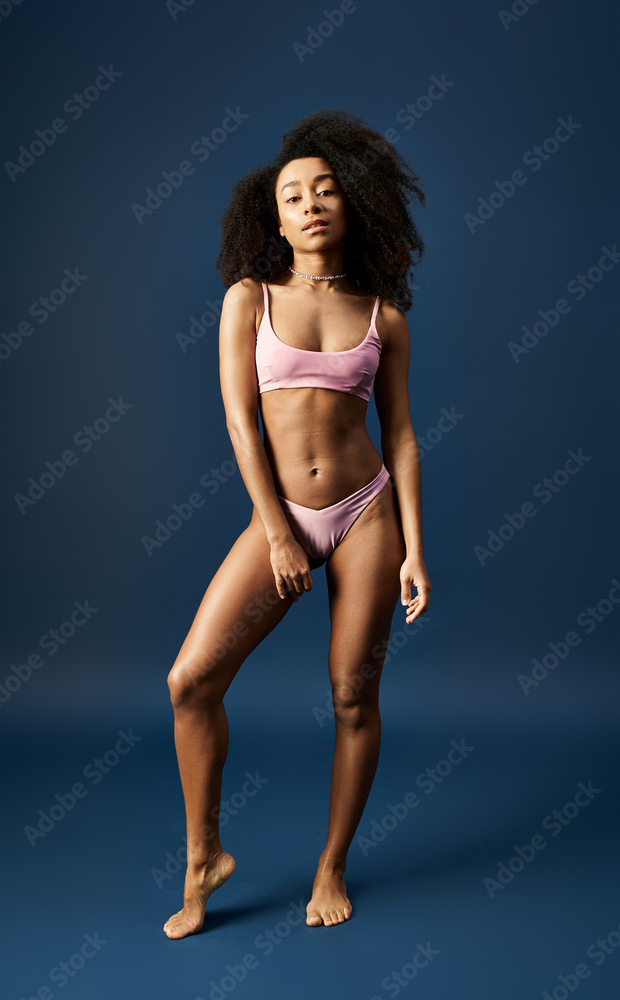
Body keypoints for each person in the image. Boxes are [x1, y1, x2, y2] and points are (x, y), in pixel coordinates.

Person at [163, 109, 431, 939]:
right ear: (272, 216)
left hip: (366, 514)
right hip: (282, 516)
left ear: (350, 204)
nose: (310, 202)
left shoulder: (384, 317)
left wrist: (416, 547)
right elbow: (242, 422)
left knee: (353, 696)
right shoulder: (248, 300)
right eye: (292, 195)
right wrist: (276, 531)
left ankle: (331, 863)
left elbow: (402, 437)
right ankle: (203, 855)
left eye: (324, 189)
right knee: (190, 683)